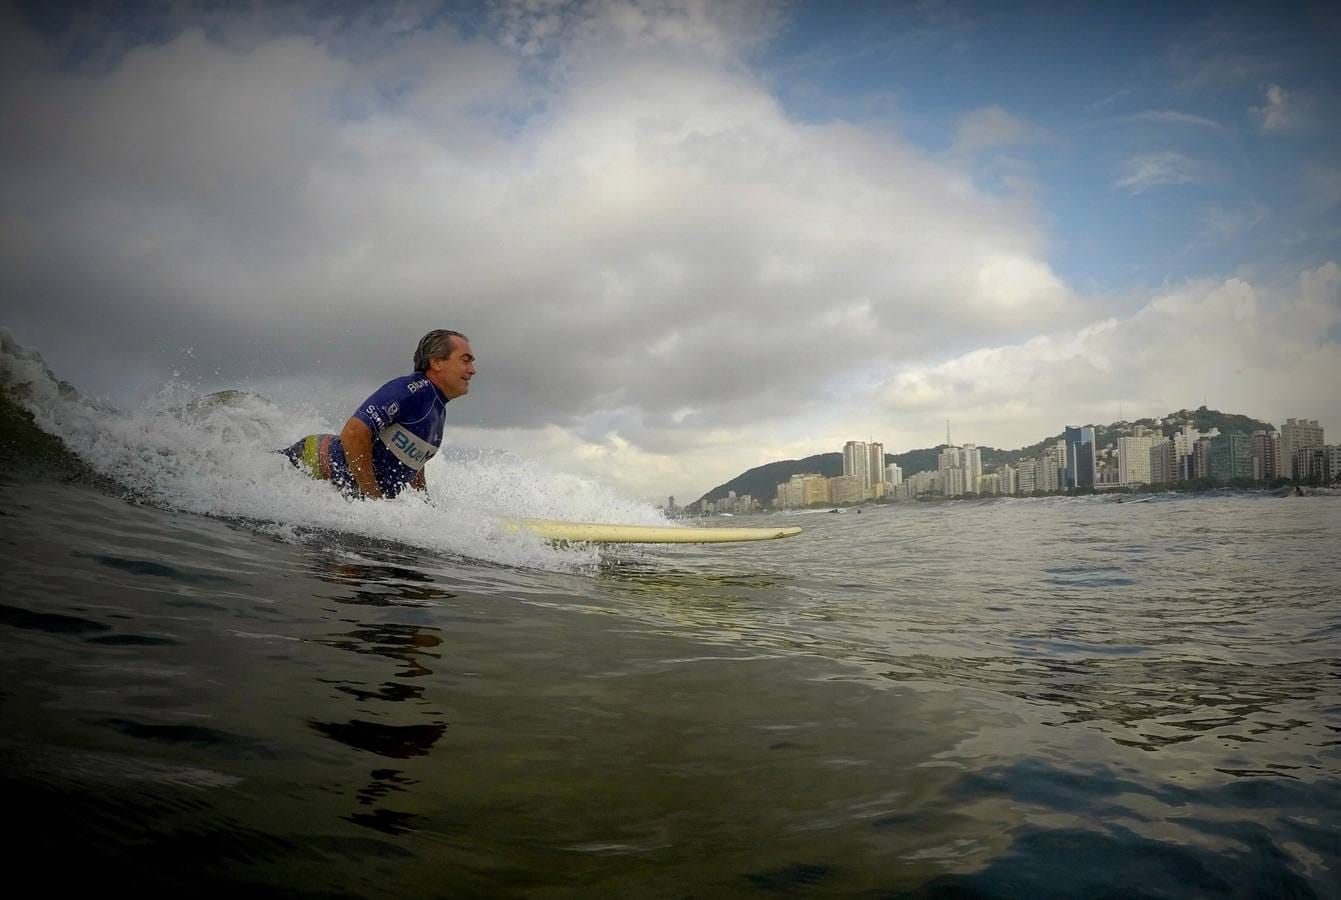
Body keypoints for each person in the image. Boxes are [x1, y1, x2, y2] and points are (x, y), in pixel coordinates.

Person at [281, 329, 475, 499]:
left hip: (333, 487)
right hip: (313, 464)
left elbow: (410, 462)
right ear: (437, 363)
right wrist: (373, 500)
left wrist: (424, 505)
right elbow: (354, 432)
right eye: (465, 361)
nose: (472, 370)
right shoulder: (411, 390)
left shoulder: (437, 407)